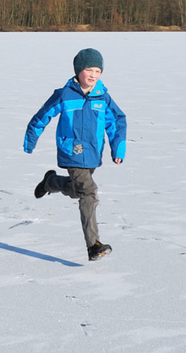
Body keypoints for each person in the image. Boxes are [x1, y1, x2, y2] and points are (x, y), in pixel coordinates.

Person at [23, 47, 127, 262]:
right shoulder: (64, 95)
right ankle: (93, 245)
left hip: (92, 152)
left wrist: (117, 148)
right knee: (89, 192)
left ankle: (50, 182)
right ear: (78, 70)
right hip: (71, 151)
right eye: (89, 70)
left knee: (76, 190)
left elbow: (116, 121)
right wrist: (30, 140)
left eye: (98, 71)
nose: (93, 75)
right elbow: (41, 116)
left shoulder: (103, 97)